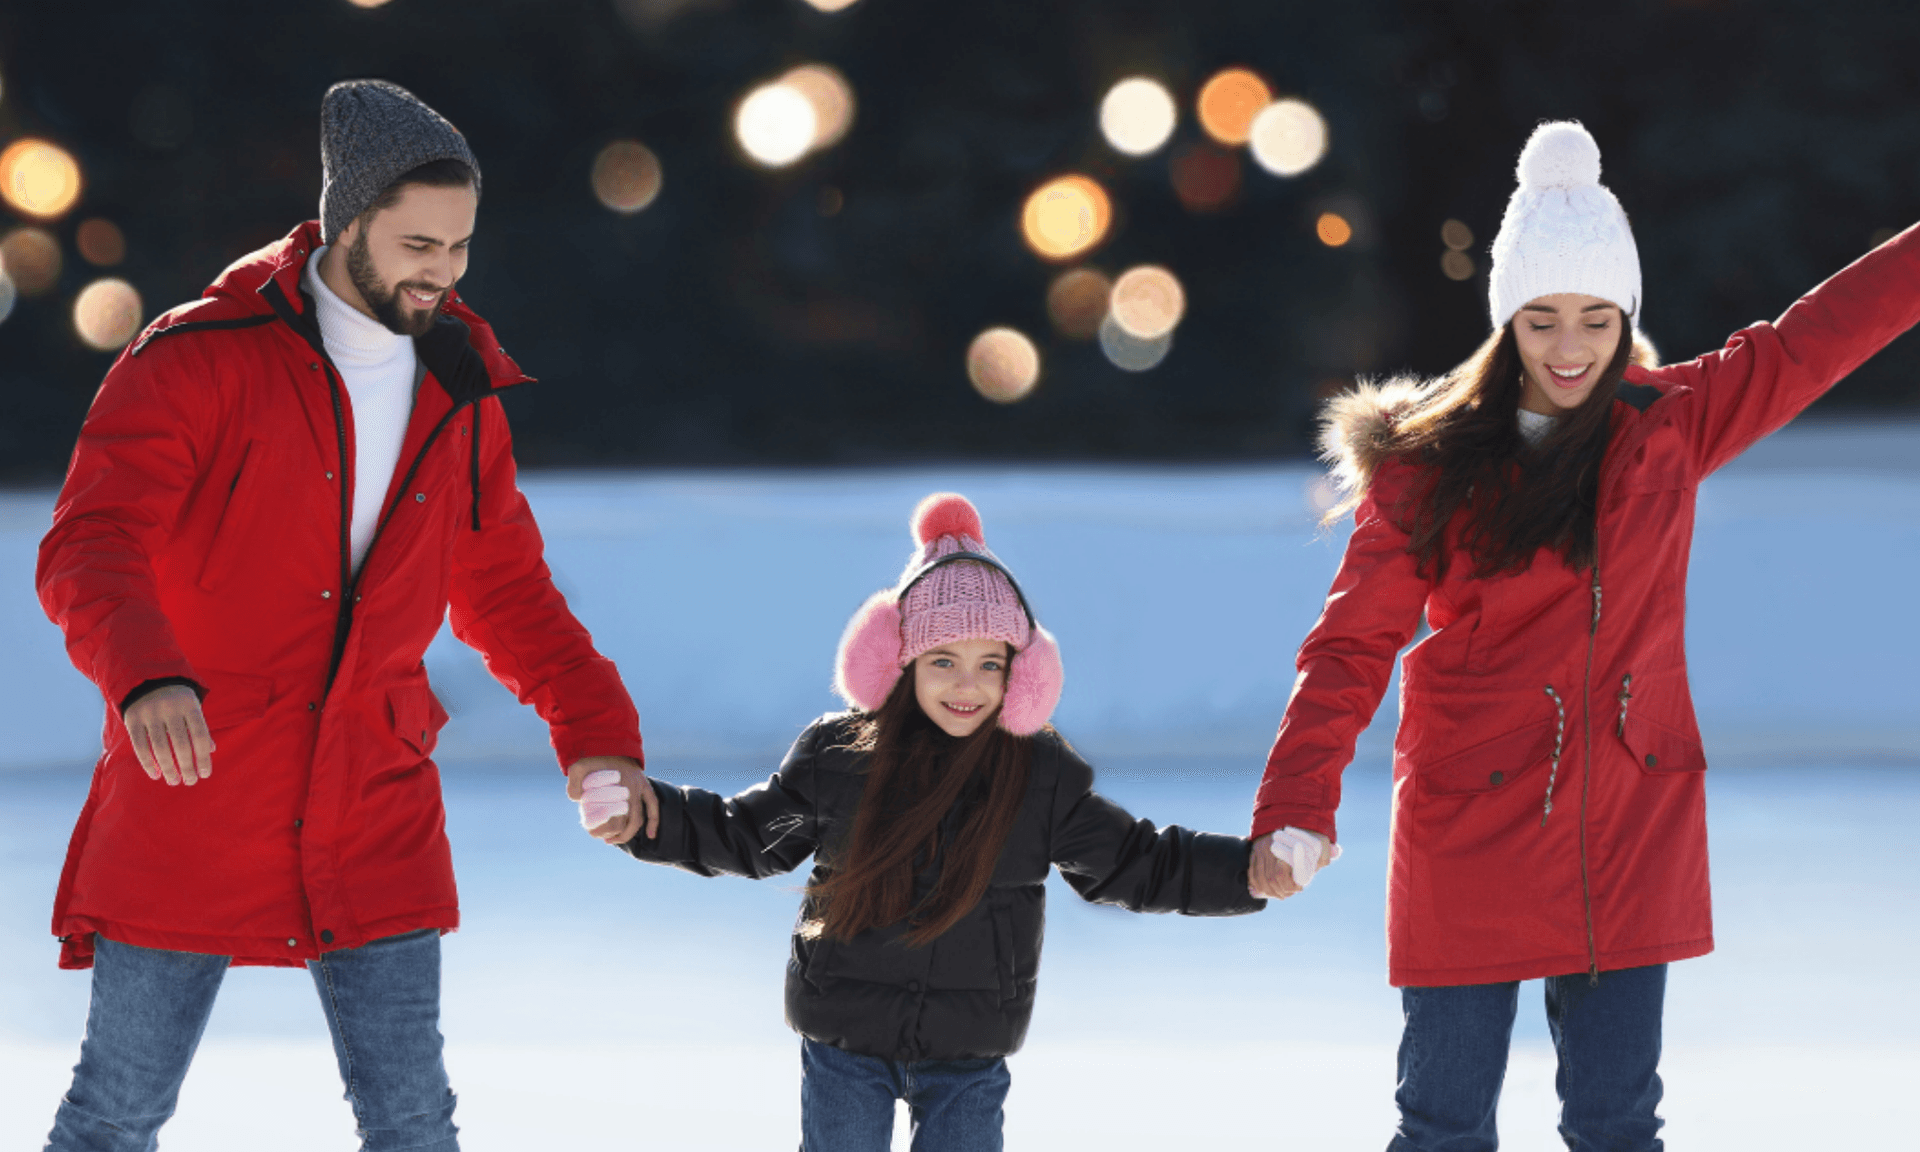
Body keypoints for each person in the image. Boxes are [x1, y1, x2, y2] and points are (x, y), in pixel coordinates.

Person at [1245, 120, 1920, 1149]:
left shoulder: (1673, 422)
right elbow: (1350, 646)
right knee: (1443, 1126)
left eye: (1597, 321)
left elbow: (1814, 336)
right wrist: (1296, 800)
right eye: (1543, 320)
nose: (1570, 349)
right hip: (1473, 823)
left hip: (1626, 820)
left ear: (1627, 318)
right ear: (1505, 320)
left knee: (1617, 1124)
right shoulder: (1430, 467)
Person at [35, 80, 657, 1152]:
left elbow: (506, 590)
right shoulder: (196, 361)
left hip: (375, 805)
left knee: (415, 1123)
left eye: (460, 247)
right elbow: (91, 544)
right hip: (196, 788)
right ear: (344, 221)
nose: (443, 272)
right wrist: (146, 674)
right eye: (419, 242)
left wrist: (598, 737)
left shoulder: (456, 382)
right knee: (116, 1113)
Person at [591, 492, 1264, 1152]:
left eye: (989, 665)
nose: (966, 687)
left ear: (1020, 676)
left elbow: (1135, 861)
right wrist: (646, 818)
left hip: (968, 1049)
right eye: (943, 662)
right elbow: (745, 834)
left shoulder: (1038, 775)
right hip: (847, 1041)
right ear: (898, 661)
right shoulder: (840, 757)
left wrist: (1248, 871)